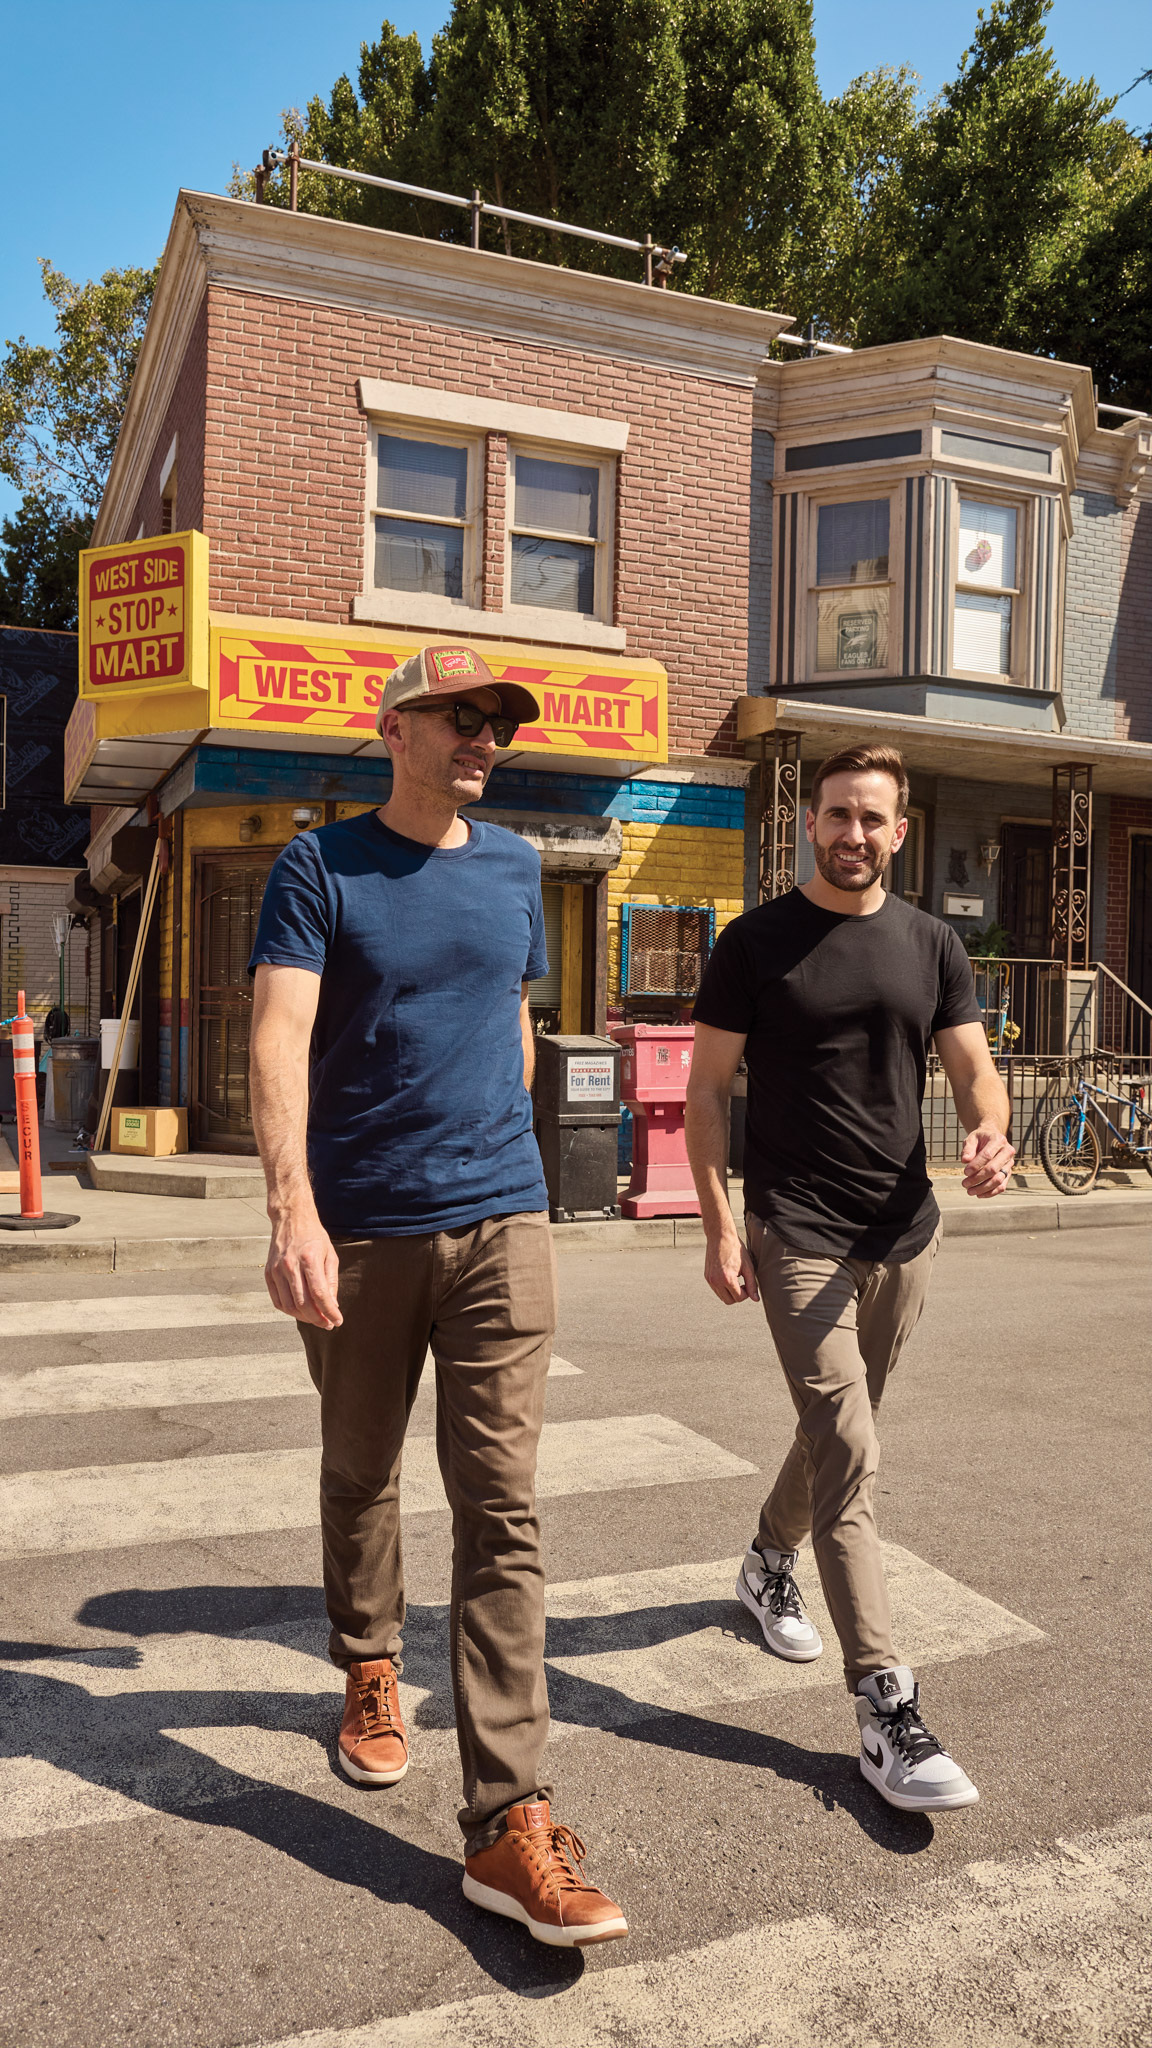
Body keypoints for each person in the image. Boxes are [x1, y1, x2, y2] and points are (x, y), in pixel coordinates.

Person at [247, 641, 627, 1947]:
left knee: (503, 1509)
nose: (482, 738)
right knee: (360, 1472)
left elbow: (510, 1021)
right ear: (392, 726)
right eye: (456, 716)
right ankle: (369, 1664)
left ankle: (509, 1818)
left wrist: (513, 1163)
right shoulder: (319, 867)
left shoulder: (517, 869)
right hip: (361, 1231)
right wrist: (291, 1207)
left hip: (501, 1220)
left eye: (498, 724)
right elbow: (279, 1035)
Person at [685, 743, 1014, 1813]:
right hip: (799, 1230)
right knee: (854, 1450)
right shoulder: (756, 943)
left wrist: (990, 1134)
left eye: (873, 818)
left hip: (904, 1234)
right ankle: (887, 1705)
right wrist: (720, 1219)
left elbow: (973, 1072)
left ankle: (766, 1559)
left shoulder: (931, 943)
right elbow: (704, 1094)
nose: (853, 833)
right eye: (836, 815)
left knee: (839, 1430)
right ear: (809, 823)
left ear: (900, 830)